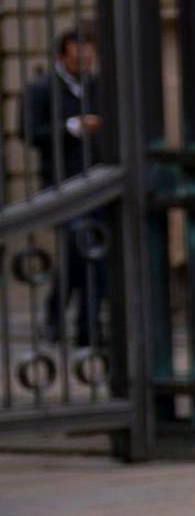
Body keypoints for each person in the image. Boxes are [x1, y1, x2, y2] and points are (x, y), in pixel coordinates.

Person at [16, 24, 106, 348]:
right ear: (62, 55)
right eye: (78, 57)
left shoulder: (99, 87)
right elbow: (27, 132)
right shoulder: (40, 89)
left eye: (89, 57)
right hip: (62, 186)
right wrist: (70, 128)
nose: (84, 62)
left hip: (102, 184)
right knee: (78, 252)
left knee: (96, 254)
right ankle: (60, 319)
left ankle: (88, 326)